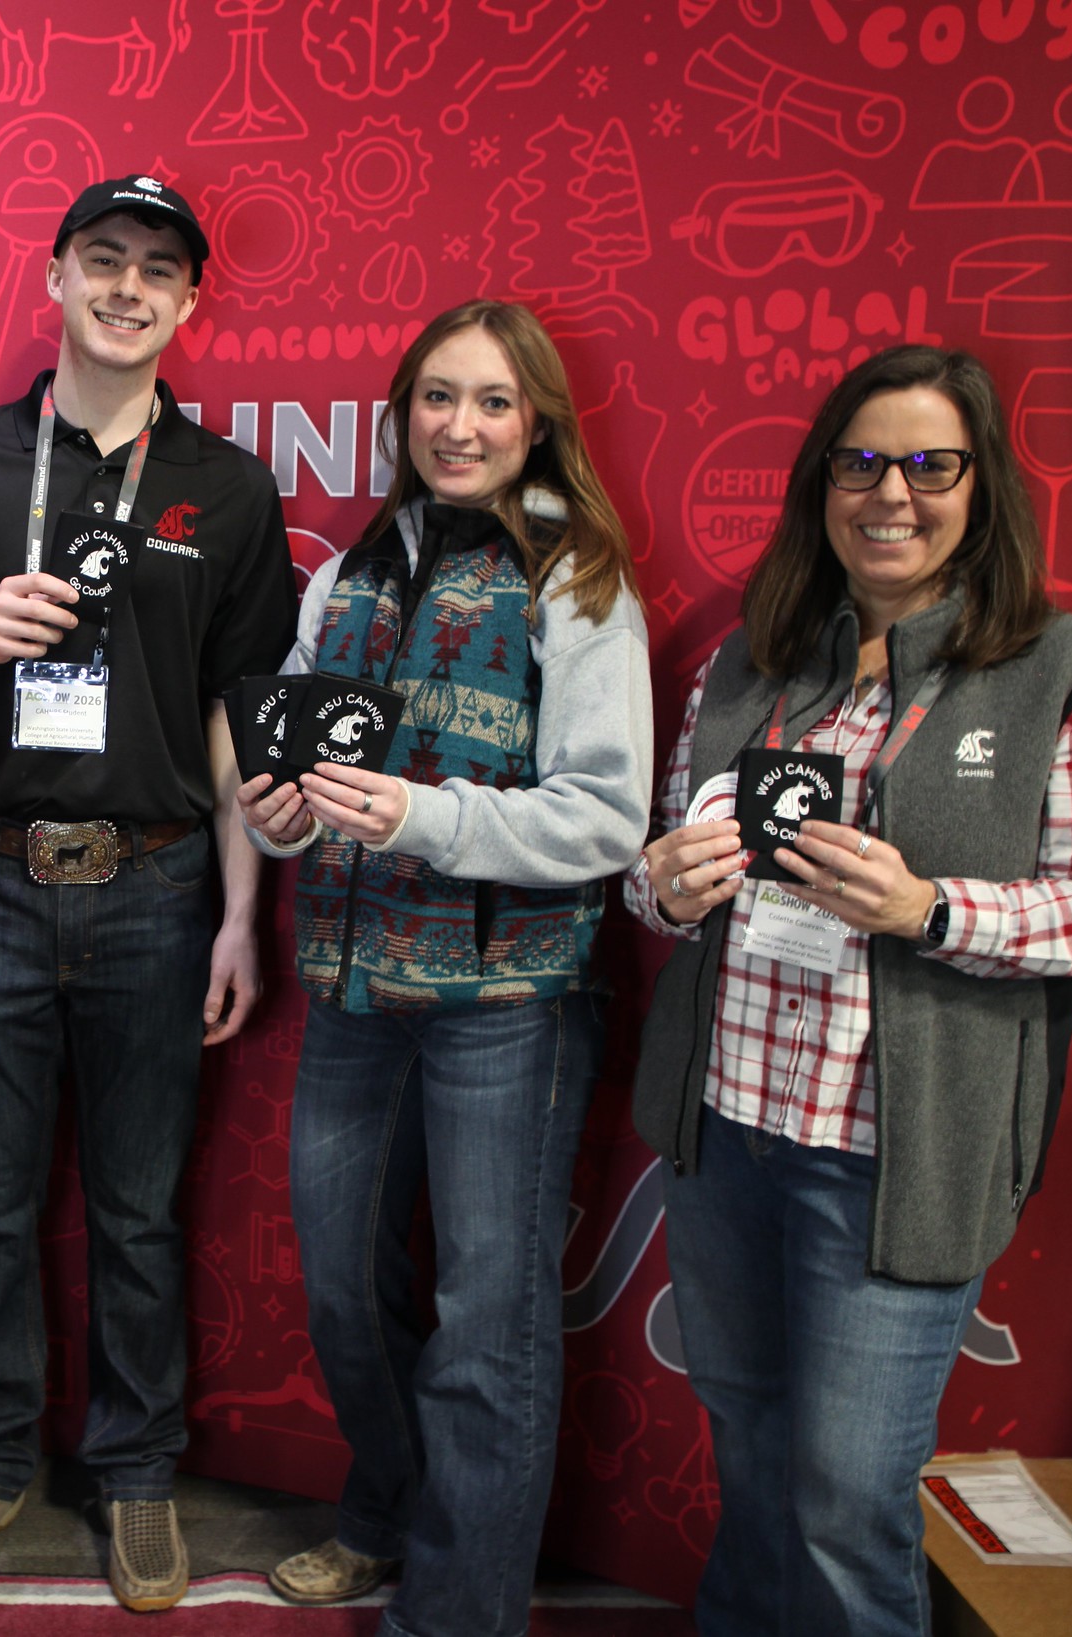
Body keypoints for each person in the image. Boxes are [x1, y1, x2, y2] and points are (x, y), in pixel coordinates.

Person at [626, 344, 1072, 1636]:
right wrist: (664, 883)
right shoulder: (750, 662)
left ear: (981, 487)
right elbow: (654, 875)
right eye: (860, 463)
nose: (891, 495)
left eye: (930, 465)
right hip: (727, 1132)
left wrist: (929, 909)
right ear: (821, 483)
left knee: (847, 1498)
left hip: (893, 1152)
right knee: (748, 1449)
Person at [0, 174, 297, 1612]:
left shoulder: (229, 488)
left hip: (157, 887)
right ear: (54, 274)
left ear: (189, 302)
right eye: (102, 258)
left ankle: (136, 1471)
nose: (126, 287)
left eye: (156, 270)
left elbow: (238, 716)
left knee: (138, 1207)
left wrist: (239, 913)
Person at [236, 300, 651, 1636]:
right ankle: (387, 1514)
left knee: (486, 1321)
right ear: (400, 413)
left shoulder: (575, 576)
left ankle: (458, 1609)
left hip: (507, 1006)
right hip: (354, 990)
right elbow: (283, 764)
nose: (458, 426)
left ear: (537, 423)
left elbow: (606, 818)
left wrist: (422, 818)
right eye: (435, 396)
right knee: (341, 1287)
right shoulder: (348, 573)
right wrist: (275, 812)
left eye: (490, 400)